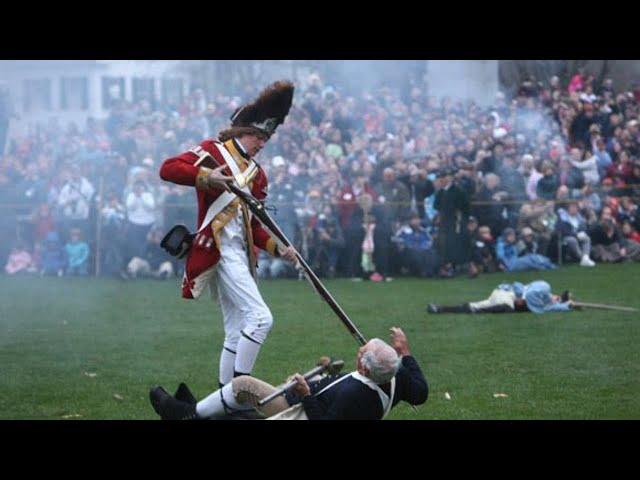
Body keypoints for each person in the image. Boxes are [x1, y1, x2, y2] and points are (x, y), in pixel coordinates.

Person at [158, 81, 297, 388]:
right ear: (241, 131)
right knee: (261, 319)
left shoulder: (257, 175)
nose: (262, 143)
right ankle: (240, 389)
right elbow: (167, 169)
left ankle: (224, 398)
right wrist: (205, 176)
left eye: (266, 138)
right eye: (258, 136)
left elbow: (255, 228)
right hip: (218, 251)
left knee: (235, 331)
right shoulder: (212, 151)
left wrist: (280, 249)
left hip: (241, 255)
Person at [149, 327, 428, 420]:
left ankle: (188, 413)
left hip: (299, 412)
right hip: (305, 398)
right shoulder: (393, 373)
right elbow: (421, 392)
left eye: (361, 352)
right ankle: (203, 408)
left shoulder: (356, 395)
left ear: (365, 367)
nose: (358, 351)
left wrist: (306, 394)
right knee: (246, 400)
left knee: (242, 384)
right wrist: (406, 351)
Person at [427, 280, 574, 315]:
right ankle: (439, 308)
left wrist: (565, 304)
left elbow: (551, 306)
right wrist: (565, 304)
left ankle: (439, 308)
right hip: (505, 295)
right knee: (506, 308)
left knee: (474, 306)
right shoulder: (542, 289)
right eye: (557, 297)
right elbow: (524, 291)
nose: (556, 298)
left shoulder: (544, 299)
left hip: (501, 295)